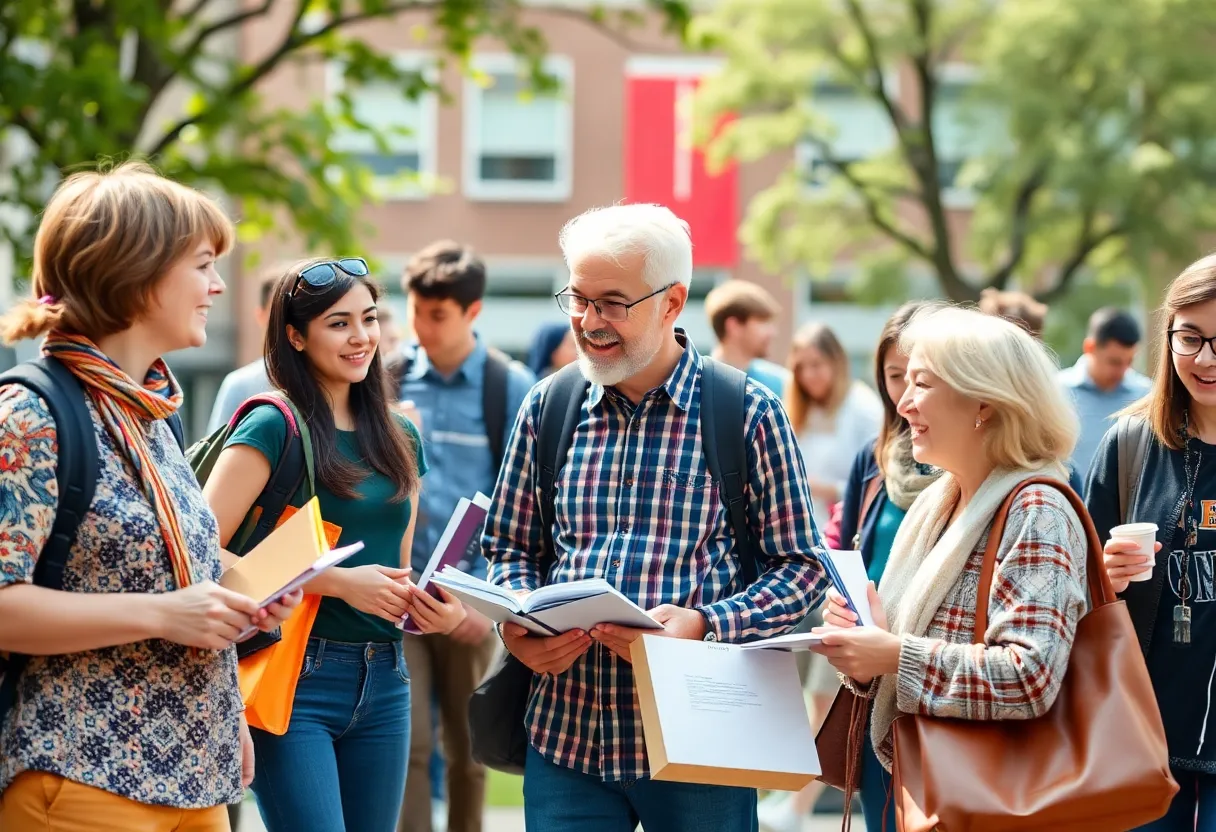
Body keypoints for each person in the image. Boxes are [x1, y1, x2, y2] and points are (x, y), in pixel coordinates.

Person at [482, 203, 829, 832]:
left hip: (701, 744)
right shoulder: (548, 405)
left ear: (672, 303)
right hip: (566, 736)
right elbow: (508, 548)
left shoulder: (747, 412)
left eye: (612, 302)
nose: (588, 322)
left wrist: (704, 622)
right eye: (577, 299)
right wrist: (518, 627)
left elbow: (803, 569)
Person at [0, 162, 299, 831]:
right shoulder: (31, 414)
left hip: (195, 776)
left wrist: (245, 595)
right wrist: (166, 614)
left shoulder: (152, 412)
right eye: (201, 265)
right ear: (136, 271)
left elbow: (173, 571)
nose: (218, 286)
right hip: (80, 776)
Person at [202, 258, 467, 832]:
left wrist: (428, 609)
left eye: (369, 319)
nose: (361, 337)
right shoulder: (273, 425)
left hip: (386, 677)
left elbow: (395, 568)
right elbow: (199, 549)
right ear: (295, 336)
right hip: (294, 673)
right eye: (338, 323)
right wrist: (339, 582)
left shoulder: (402, 436)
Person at [812, 306, 1087, 787]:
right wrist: (868, 644)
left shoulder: (1037, 508)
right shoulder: (940, 500)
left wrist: (893, 654)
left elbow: (1029, 678)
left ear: (984, 402)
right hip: (922, 777)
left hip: (990, 793)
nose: (904, 404)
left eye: (923, 383)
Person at [760, 302, 936, 832]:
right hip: (868, 670)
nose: (906, 393)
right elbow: (843, 537)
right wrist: (835, 587)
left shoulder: (975, 468)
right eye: (894, 376)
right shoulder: (877, 454)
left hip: (935, 676)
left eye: (919, 376)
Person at [396, 240, 534, 832]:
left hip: (469, 599)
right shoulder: (388, 378)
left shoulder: (510, 387)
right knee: (408, 746)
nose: (422, 327)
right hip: (399, 590)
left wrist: (487, 604)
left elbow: (526, 507)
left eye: (438, 315)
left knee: (469, 749)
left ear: (472, 312)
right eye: (415, 311)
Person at [1086, 255, 1216, 830]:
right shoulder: (1129, 444)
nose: (1204, 359)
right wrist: (1102, 578)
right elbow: (1073, 593)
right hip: (1141, 736)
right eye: (1189, 338)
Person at [785, 322, 883, 528]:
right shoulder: (797, 409)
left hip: (846, 529)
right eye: (801, 367)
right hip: (802, 529)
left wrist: (828, 490)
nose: (808, 375)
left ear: (835, 362)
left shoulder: (862, 407)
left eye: (816, 364)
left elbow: (879, 484)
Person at [1060, 307, 1152, 477]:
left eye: (1129, 361)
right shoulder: (1057, 391)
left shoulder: (1147, 395)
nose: (1123, 370)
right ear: (1090, 347)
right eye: (1115, 362)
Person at [206, 263, 285, 433]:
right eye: (278, 313)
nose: (287, 323)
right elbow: (215, 453)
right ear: (261, 316)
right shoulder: (240, 385)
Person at [704, 279, 790, 396]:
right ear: (733, 326)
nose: (773, 333)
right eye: (763, 322)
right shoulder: (699, 383)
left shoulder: (782, 384)